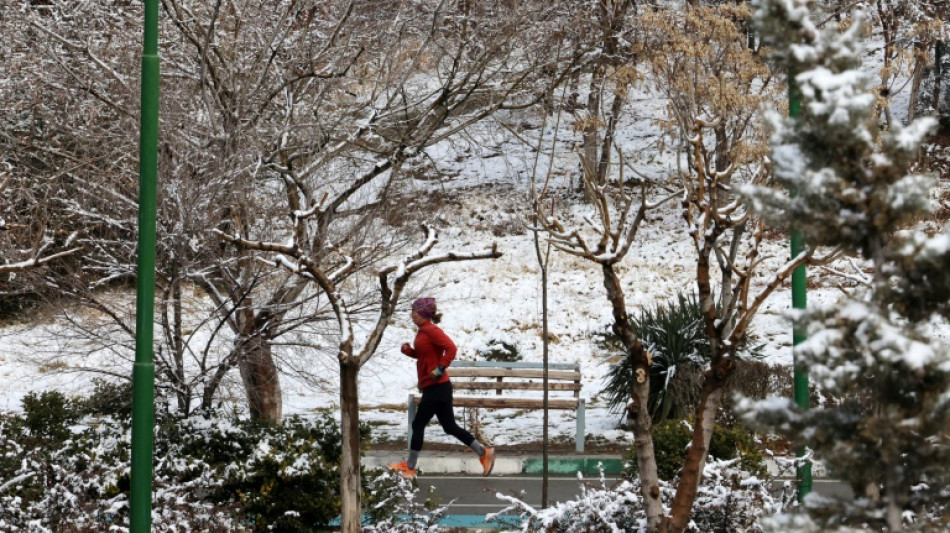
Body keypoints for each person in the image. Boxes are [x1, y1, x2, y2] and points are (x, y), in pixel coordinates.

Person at [387, 297, 495, 480]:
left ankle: (410, 468)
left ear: (423, 314)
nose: (411, 315)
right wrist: (409, 351)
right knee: (449, 426)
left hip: (437, 387)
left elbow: (451, 348)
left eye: (414, 312)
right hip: (437, 387)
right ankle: (483, 452)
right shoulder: (423, 331)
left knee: (418, 424)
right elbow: (425, 355)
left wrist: (440, 368)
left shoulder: (431, 330)